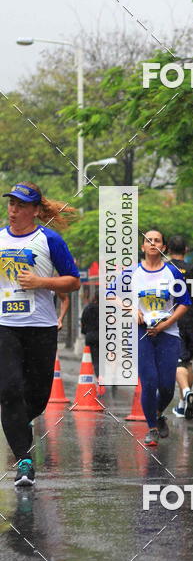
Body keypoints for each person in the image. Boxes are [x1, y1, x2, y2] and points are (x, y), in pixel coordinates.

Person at [0, 182, 80, 486]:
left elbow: (73, 281)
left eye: (21, 205)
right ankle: (24, 461)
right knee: (9, 391)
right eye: (11, 204)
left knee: (38, 397)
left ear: (35, 210)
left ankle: (21, 424)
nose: (13, 210)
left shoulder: (49, 240)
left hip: (41, 327)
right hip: (5, 326)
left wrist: (41, 282)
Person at [133, 229, 191, 447]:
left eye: (157, 241)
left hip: (168, 333)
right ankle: (152, 428)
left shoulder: (173, 272)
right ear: (142, 246)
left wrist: (166, 324)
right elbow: (113, 295)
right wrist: (131, 309)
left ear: (163, 247)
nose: (152, 243)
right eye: (148, 240)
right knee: (149, 382)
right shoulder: (132, 272)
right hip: (142, 333)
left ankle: (157, 413)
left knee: (167, 386)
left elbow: (184, 303)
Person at [168, 235, 193, 419]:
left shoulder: (165, 268)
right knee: (187, 361)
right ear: (186, 250)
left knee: (178, 361)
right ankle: (183, 404)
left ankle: (186, 391)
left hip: (173, 319)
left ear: (168, 250)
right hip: (192, 319)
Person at [80, 293, 101, 392]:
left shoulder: (87, 308)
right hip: (103, 337)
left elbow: (83, 323)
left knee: (95, 360)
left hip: (90, 337)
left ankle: (98, 380)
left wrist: (86, 332)